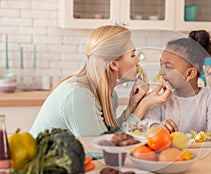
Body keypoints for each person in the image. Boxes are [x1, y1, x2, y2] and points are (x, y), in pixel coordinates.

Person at [30, 25, 172, 137]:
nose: (137, 60)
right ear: (114, 64)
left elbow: (113, 136)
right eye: (133, 55)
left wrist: (132, 106)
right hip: (42, 170)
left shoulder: (109, 94)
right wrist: (144, 106)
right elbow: (103, 150)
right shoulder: (79, 96)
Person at [142, 30, 211, 133]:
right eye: (161, 65)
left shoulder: (208, 98)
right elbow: (146, 122)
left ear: (190, 74)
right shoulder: (161, 97)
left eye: (168, 67)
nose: (160, 71)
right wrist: (155, 126)